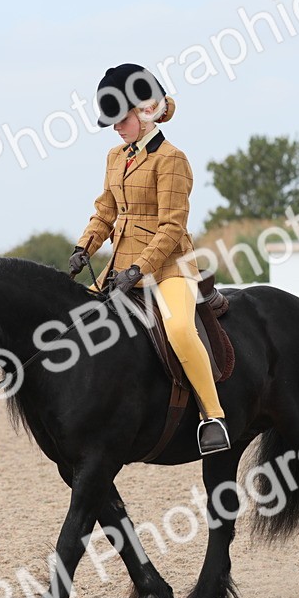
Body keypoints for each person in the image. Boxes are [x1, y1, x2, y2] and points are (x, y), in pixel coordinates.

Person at [68, 63, 229, 456]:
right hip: (119, 264)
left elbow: (172, 227)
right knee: (74, 322)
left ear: (144, 112)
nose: (115, 128)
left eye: (120, 119)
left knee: (179, 331)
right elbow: (106, 212)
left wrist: (141, 268)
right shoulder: (114, 156)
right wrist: (83, 247)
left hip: (170, 263)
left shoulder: (171, 159)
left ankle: (213, 416)